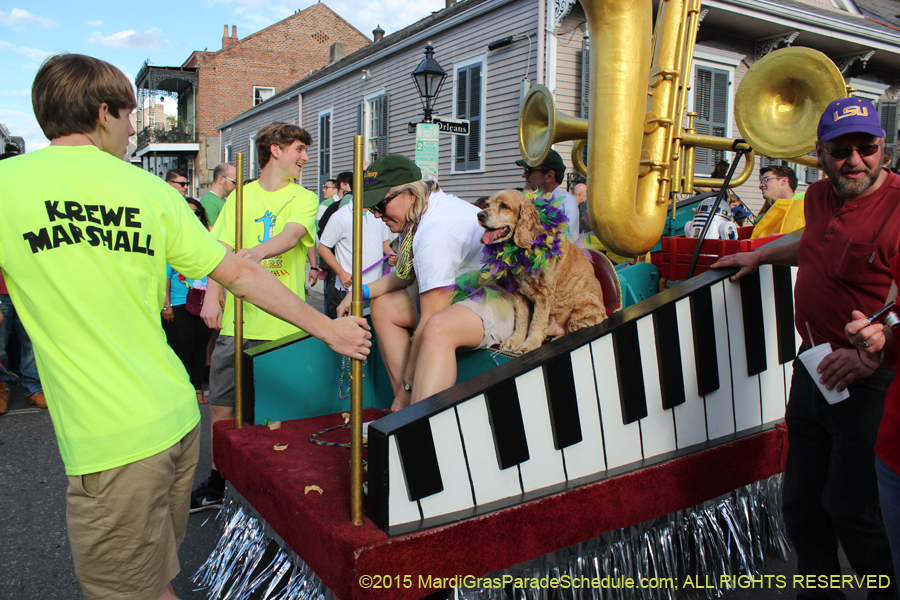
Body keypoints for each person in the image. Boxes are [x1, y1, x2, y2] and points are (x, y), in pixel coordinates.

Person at [2, 53, 370, 600]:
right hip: (174, 421)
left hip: (114, 442)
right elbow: (238, 271)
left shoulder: (9, 186)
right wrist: (328, 328)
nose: (132, 130)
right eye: (129, 116)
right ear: (103, 113)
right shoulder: (154, 194)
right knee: (154, 582)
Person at [712, 97, 899, 597]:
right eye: (842, 150)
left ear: (884, 147)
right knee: (800, 501)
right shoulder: (817, 196)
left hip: (871, 379)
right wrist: (758, 254)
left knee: (853, 510)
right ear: (819, 153)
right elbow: (812, 239)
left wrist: (873, 350)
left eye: (868, 148)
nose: (856, 160)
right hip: (814, 367)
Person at [192, 122, 322, 513]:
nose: (304, 157)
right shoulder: (240, 197)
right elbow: (220, 250)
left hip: (283, 327)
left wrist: (258, 253)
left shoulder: (305, 197)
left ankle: (274, 483)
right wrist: (212, 298)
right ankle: (219, 479)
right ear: (276, 150)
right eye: (299, 148)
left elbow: (291, 235)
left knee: (277, 412)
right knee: (223, 407)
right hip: (238, 322)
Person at [337, 155, 514, 412]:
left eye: (380, 205)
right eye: (371, 207)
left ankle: (416, 421)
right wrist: (359, 292)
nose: (376, 215)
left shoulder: (434, 233)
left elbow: (431, 316)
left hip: (502, 299)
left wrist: (408, 389)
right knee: (384, 307)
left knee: (436, 328)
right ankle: (403, 411)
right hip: (464, 290)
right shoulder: (427, 207)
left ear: (409, 194)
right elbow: (409, 273)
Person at [163, 199, 214, 405]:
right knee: (182, 346)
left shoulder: (208, 241)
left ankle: (197, 387)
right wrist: (166, 304)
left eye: (197, 213)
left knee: (200, 347)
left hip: (203, 301)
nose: (193, 216)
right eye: (188, 212)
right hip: (177, 302)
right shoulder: (172, 239)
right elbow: (165, 275)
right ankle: (181, 389)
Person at [318, 200, 394, 318]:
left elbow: (384, 241)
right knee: (350, 330)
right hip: (350, 288)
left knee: (371, 327)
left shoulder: (378, 215)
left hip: (376, 287)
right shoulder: (340, 216)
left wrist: (390, 253)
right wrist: (341, 273)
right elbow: (323, 248)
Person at [516, 149, 580, 237]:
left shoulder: (566, 202)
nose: (524, 175)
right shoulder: (527, 200)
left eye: (529, 170)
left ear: (549, 176)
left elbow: (558, 240)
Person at [200, 163, 236, 227]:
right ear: (221, 179)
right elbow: (211, 233)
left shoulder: (220, 201)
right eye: (234, 182)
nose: (235, 186)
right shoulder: (209, 203)